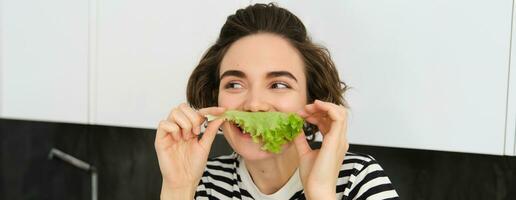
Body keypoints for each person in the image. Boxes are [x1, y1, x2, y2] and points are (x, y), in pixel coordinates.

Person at [155, 3, 399, 200]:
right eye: (234, 84)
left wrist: (320, 193)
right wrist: (178, 190)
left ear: (311, 99)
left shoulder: (355, 179)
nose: (254, 104)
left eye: (279, 85)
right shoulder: (203, 182)